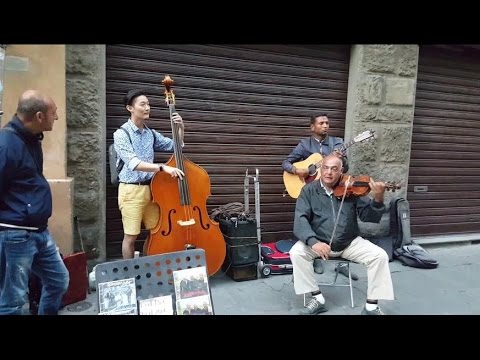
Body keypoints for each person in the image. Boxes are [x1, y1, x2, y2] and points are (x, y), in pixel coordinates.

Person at [290, 154, 394, 315]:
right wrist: (313, 242)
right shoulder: (309, 190)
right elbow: (300, 218)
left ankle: (372, 306)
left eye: (334, 169)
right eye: (325, 168)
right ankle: (317, 298)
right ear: (320, 169)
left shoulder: (351, 189)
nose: (329, 172)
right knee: (296, 253)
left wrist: (378, 198)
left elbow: (370, 218)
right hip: (318, 243)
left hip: (348, 242)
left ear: (342, 171)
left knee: (379, 256)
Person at [0, 90, 70, 315]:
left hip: (39, 231)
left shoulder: (31, 139)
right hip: (15, 234)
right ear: (39, 116)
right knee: (13, 301)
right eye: (53, 113)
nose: (56, 118)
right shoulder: (6, 144)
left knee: (58, 281)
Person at [282, 113, 356, 279]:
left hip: (335, 190)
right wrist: (297, 170)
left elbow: (346, 167)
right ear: (312, 127)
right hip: (312, 191)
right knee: (308, 220)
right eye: (321, 123)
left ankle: (343, 263)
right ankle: (315, 258)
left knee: (341, 221)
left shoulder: (337, 143)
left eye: (327, 123)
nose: (325, 126)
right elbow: (286, 163)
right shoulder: (305, 144)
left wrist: (341, 159)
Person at [114, 89, 185, 259]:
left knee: (157, 231)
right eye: (142, 104)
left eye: (148, 104)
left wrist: (180, 127)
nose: (147, 107)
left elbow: (177, 146)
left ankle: (151, 268)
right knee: (130, 237)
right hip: (131, 191)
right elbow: (134, 164)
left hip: (152, 191)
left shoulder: (150, 133)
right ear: (130, 108)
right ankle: (130, 273)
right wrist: (162, 168)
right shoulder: (121, 134)